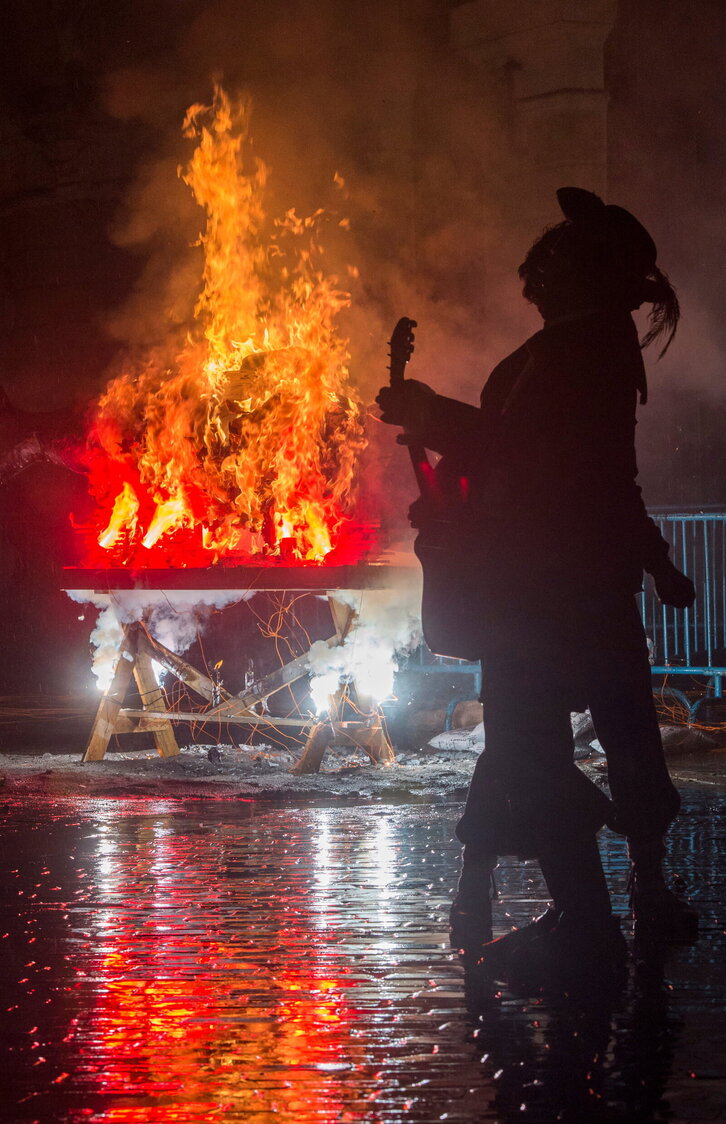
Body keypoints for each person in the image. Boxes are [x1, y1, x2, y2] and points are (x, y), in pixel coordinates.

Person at [376, 187, 697, 991]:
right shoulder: (582, 347)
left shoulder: (581, 350)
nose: (535, 275)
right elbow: (572, 472)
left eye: (551, 263)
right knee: (599, 739)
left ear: (577, 275)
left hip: (544, 590)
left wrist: (431, 413)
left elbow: (534, 454)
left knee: (537, 749)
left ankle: (589, 922)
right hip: (565, 583)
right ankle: (628, 901)